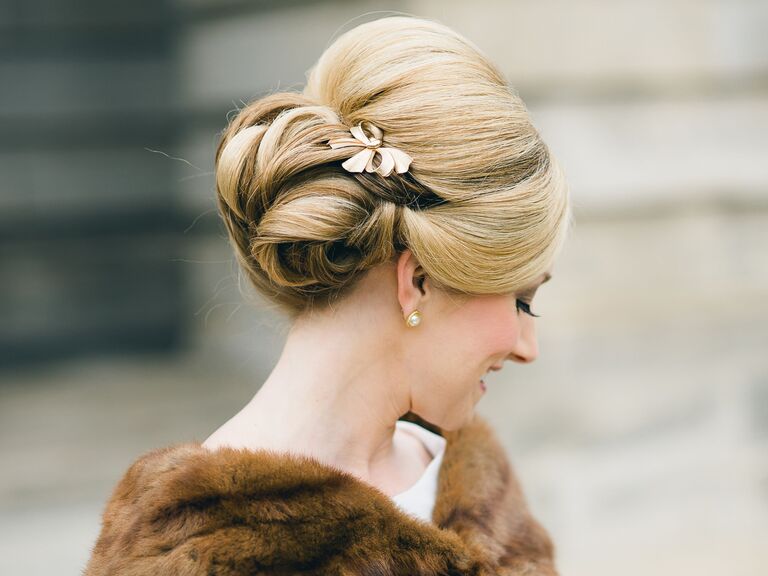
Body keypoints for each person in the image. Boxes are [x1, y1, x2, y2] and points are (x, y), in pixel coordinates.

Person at [84, 15, 571, 576]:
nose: (527, 346)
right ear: (418, 282)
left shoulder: (474, 486)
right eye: (521, 301)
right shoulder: (187, 555)